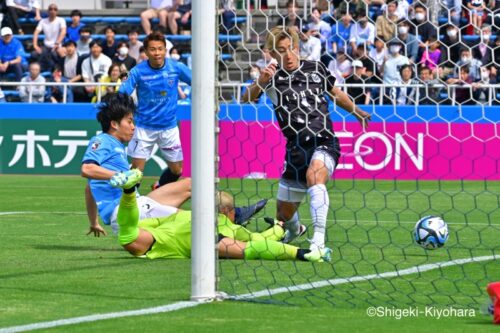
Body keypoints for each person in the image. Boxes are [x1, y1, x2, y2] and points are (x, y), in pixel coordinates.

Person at [242, 26, 371, 251]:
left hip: (324, 140)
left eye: (291, 48)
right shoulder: (271, 77)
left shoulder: (316, 68)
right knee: (284, 214)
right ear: (272, 53)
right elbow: (246, 99)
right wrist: (261, 82)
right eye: (281, 50)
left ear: (298, 47)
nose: (288, 54)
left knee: (315, 176)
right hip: (295, 148)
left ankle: (318, 242)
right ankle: (295, 229)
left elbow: (336, 94)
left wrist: (356, 112)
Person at [82, 93, 268, 235]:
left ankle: (234, 214)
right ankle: (243, 235)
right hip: (124, 212)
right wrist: (116, 176)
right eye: (129, 121)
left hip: (136, 203)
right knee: (189, 221)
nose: (133, 126)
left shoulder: (116, 147)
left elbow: (89, 189)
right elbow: (87, 169)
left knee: (189, 184)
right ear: (114, 124)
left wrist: (93, 222)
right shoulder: (103, 141)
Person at [110, 169, 332, 262]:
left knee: (128, 235)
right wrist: (294, 246)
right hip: (203, 239)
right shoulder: (234, 229)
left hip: (164, 231)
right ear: (228, 212)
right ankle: (304, 255)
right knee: (249, 250)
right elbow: (261, 244)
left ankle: (129, 193)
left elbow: (149, 222)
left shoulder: (182, 215)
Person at [118, 31, 191, 187]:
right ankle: (130, 205)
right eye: (152, 49)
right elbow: (122, 94)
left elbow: (197, 81)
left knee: (177, 170)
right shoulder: (138, 71)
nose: (157, 53)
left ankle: (158, 187)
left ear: (165, 50)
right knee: (136, 173)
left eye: (160, 49)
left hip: (169, 128)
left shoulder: (176, 67)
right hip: (144, 128)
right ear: (146, 52)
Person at [32, 3, 66, 72]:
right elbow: (36, 32)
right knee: (34, 54)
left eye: (55, 9)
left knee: (56, 54)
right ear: (48, 11)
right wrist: (35, 45)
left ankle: (58, 70)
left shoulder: (61, 20)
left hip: (57, 46)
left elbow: (63, 32)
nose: (52, 11)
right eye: (50, 9)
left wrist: (57, 43)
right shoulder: (43, 21)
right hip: (46, 46)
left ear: (57, 11)